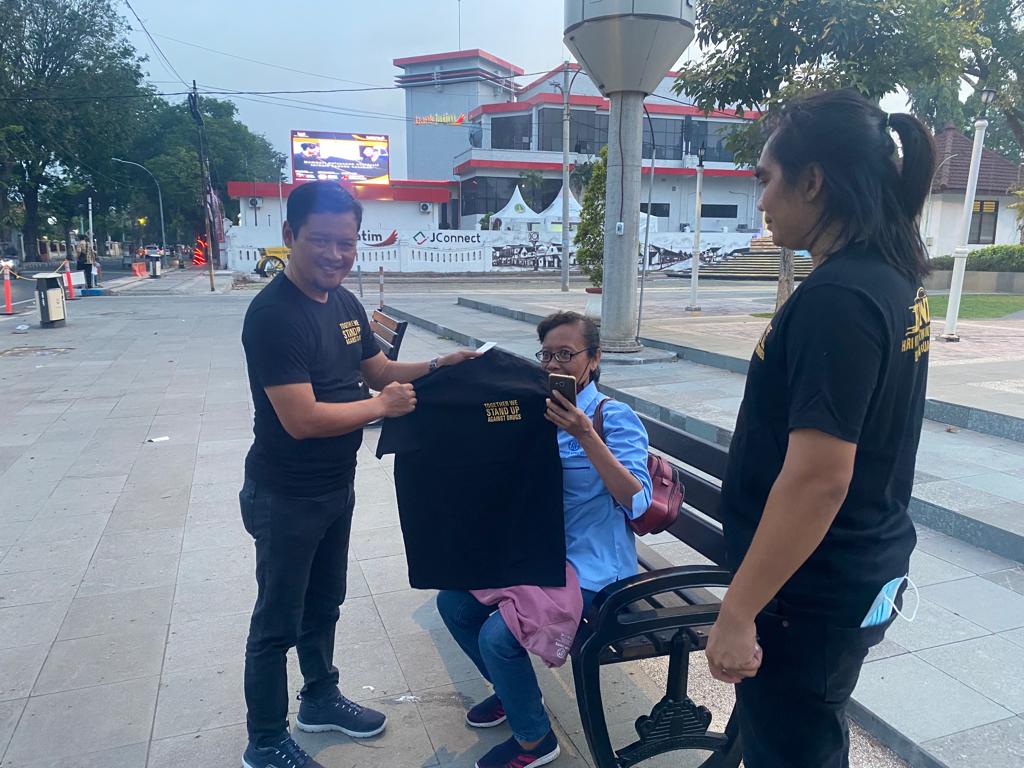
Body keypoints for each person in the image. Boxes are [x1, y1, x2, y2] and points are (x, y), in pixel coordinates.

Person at [705, 89, 936, 767]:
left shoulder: (839, 298)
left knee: (794, 749)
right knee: (800, 739)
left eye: (767, 179)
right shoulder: (887, 278)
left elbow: (818, 480)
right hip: (837, 574)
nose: (762, 201)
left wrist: (738, 611)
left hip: (805, 595)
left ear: (812, 181)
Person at [239, 180, 476, 768]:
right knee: (277, 620)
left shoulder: (343, 304)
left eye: (346, 243)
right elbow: (301, 418)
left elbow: (379, 370)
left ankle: (320, 698)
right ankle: (265, 741)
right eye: (320, 240)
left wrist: (442, 364)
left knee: (325, 603)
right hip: (285, 494)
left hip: (333, 487)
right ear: (290, 235)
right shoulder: (273, 316)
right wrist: (380, 408)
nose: (335, 254)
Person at [437, 311, 653, 768]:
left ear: (594, 359)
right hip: (537, 552)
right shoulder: (537, 411)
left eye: (566, 354)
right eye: (547, 355)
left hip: (593, 566)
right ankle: (512, 693)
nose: (554, 364)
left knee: (498, 637)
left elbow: (638, 502)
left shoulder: (612, 417)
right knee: (452, 603)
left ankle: (535, 740)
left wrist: (585, 435)